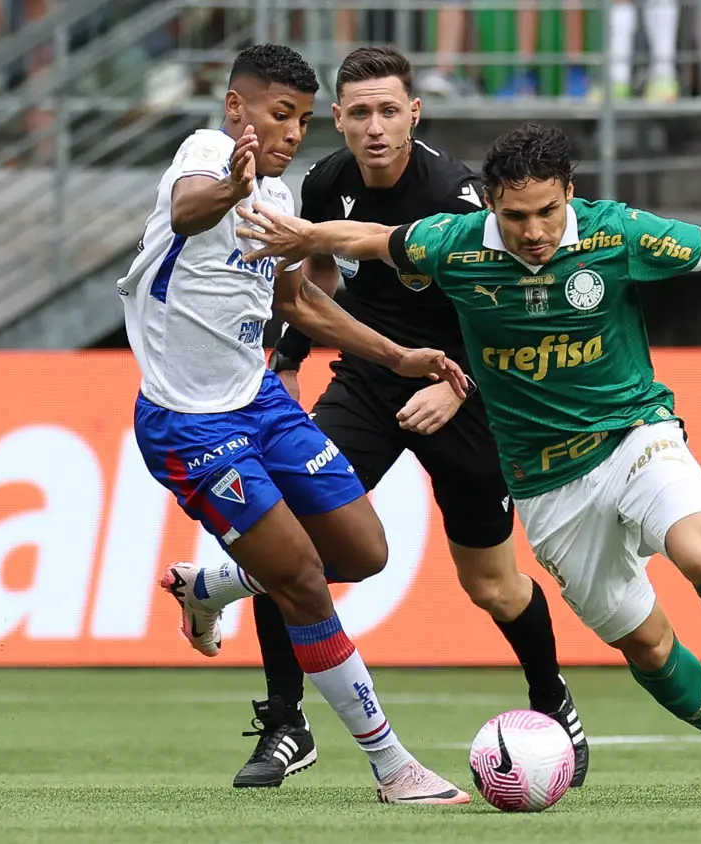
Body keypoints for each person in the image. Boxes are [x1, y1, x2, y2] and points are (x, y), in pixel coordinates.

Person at [234, 122, 701, 803]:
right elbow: (377, 242)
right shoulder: (456, 243)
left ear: (570, 193)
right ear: (492, 205)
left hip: (634, 435)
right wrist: (307, 235)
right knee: (649, 647)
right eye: (515, 217)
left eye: (546, 212)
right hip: (546, 486)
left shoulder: (616, 234)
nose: (533, 232)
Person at [198, 45, 590, 790]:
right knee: (294, 542)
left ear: (414, 113)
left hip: (461, 386)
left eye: (389, 111)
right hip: (372, 381)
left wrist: (460, 385)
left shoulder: (456, 194)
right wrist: (288, 357)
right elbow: (316, 275)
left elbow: (509, 308)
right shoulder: (326, 181)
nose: (375, 127)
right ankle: (286, 722)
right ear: (338, 120)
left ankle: (551, 699)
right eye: (359, 113)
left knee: (493, 586)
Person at [116, 43, 470, 806]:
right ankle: (392, 766)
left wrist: (397, 355)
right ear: (237, 108)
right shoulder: (207, 154)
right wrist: (236, 180)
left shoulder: (278, 200)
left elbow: (297, 303)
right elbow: (188, 209)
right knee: (305, 582)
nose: (290, 135)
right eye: (280, 116)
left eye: (303, 122)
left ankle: (212, 583)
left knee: (363, 550)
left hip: (259, 401)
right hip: (190, 426)